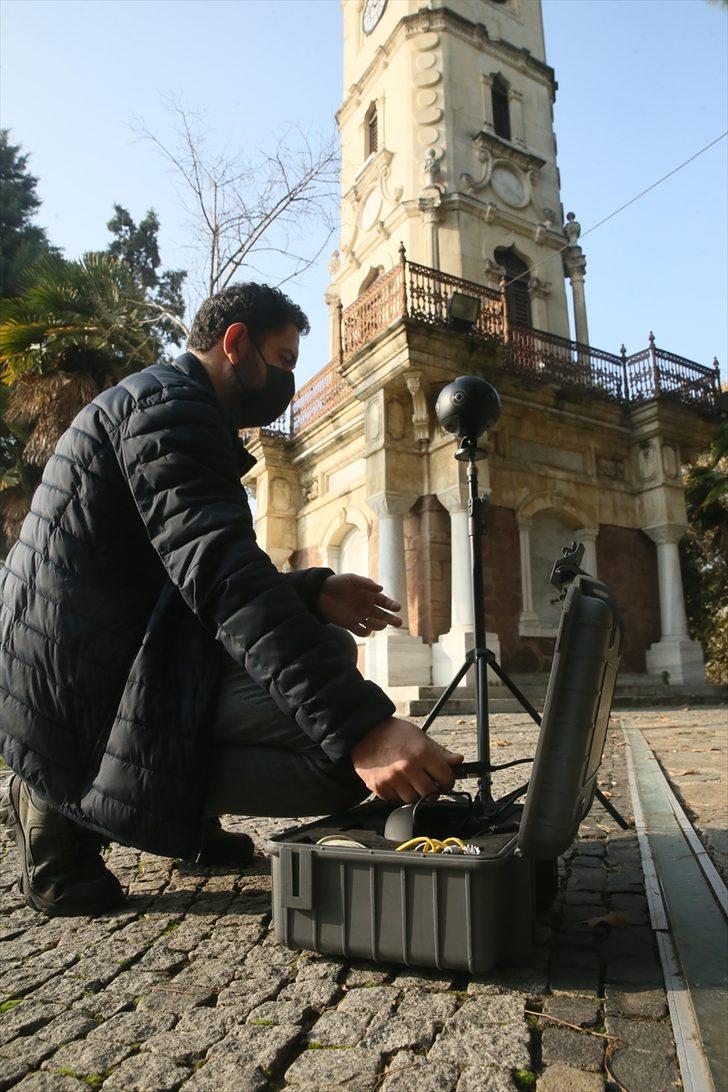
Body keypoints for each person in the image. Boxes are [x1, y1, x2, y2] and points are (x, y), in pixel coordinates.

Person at [0, 283, 463, 917]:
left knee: (319, 651)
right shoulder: (168, 410)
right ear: (236, 343)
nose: (288, 382)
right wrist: (366, 730)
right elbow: (221, 576)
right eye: (283, 359)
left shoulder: (169, 405)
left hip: (112, 650)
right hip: (74, 679)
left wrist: (310, 589)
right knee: (333, 762)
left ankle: (173, 816)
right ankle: (61, 810)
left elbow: (185, 568)